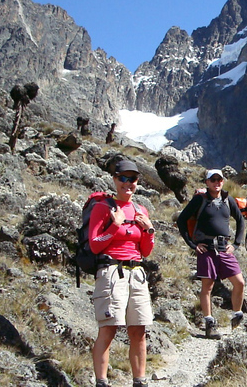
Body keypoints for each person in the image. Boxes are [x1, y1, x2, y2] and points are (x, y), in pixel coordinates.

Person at [89, 159, 155, 387]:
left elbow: (145, 251)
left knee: (139, 331)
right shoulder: (102, 208)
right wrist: (115, 225)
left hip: (136, 273)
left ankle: (139, 380)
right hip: (110, 272)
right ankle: (101, 381)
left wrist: (149, 230)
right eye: (123, 178)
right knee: (108, 329)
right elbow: (96, 244)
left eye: (133, 179)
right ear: (115, 179)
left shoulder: (140, 210)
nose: (128, 183)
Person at [177, 169, 246, 339]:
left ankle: (237, 316)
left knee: (239, 282)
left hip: (224, 247)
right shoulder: (199, 200)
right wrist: (192, 244)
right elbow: (181, 220)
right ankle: (209, 323)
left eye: (219, 180)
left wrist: (236, 244)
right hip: (206, 248)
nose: (217, 183)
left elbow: (241, 220)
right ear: (207, 182)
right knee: (207, 286)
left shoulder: (227, 200)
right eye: (213, 180)